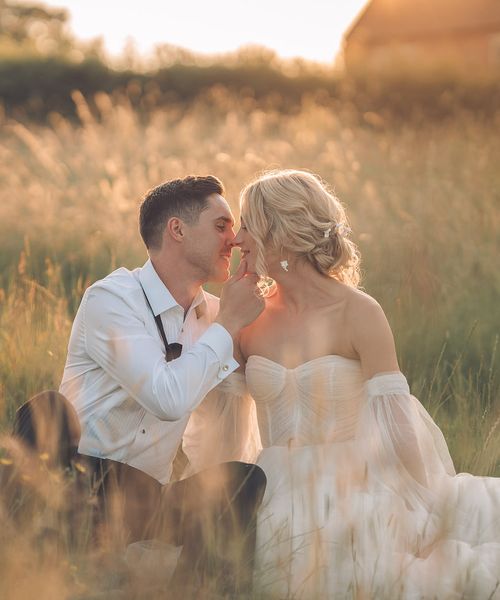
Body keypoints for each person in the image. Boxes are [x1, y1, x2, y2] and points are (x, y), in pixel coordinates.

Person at [216, 169, 499, 598]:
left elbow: (396, 415)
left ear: (282, 232)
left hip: (355, 483)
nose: (237, 240)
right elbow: (231, 424)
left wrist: (423, 501)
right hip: (274, 485)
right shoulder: (246, 315)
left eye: (248, 225)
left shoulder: (358, 311)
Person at [18, 175, 266, 594]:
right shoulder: (112, 299)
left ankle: (193, 593)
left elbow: (267, 382)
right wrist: (228, 326)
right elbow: (166, 398)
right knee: (47, 410)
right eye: (222, 226)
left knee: (244, 481)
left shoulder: (219, 317)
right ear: (178, 230)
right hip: (75, 487)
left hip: (143, 502)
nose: (235, 240)